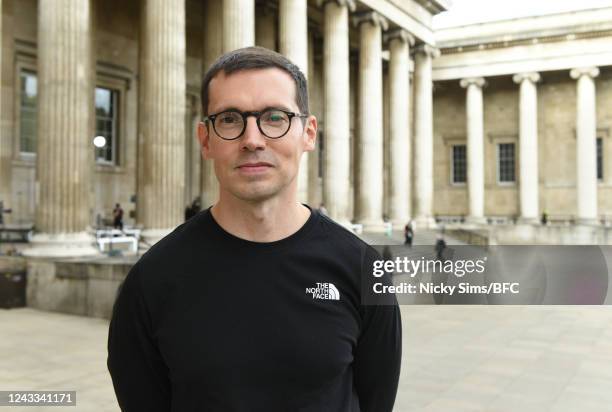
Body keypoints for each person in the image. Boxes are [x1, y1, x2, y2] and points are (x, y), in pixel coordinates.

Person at [107, 47, 401, 412]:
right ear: (205, 139)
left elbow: (376, 400)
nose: (253, 139)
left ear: (308, 133)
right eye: (230, 119)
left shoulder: (363, 270)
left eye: (275, 117)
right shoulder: (152, 280)